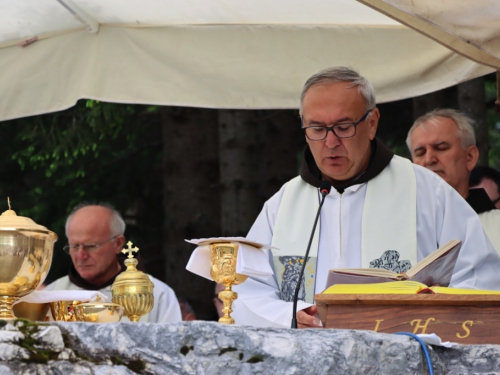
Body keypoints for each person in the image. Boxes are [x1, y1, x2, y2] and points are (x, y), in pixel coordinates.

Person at [232, 66, 500, 329]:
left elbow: (478, 277)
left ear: (371, 124)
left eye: (343, 126)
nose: (331, 141)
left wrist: (429, 311)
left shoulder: (426, 191)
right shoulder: (282, 205)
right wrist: (292, 316)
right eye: (316, 128)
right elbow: (245, 293)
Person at [45, 203, 182, 323]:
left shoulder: (157, 295)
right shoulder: (52, 294)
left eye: (91, 246)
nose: (81, 255)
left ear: (118, 244)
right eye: (74, 246)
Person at [407, 109, 500, 255]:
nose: (429, 159)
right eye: (420, 152)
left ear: (470, 157)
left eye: (441, 148)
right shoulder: (402, 229)